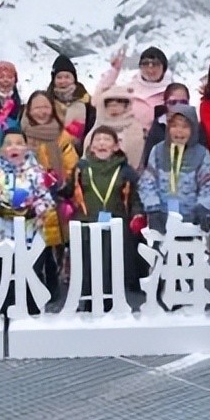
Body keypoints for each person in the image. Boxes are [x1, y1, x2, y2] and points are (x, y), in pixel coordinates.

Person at [0, 129, 56, 311]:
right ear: (1, 149)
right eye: (9, 143)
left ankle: (33, 311)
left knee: (31, 276)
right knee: (6, 275)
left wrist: (33, 210)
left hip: (31, 236)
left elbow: (47, 199)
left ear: (27, 147)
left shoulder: (36, 172)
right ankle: (5, 311)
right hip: (2, 237)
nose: (14, 147)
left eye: (19, 143)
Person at [71, 125, 144, 305]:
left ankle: (113, 301)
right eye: (98, 140)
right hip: (87, 223)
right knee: (88, 264)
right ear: (91, 146)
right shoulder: (81, 168)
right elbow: (69, 191)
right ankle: (88, 301)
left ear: (116, 146)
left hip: (116, 223)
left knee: (113, 264)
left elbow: (135, 197)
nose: (102, 143)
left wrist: (137, 215)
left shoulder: (125, 170)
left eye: (107, 140)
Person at [21, 91, 80, 297]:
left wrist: (62, 181)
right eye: (36, 107)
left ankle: (53, 285)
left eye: (46, 106)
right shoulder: (22, 135)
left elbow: (72, 165)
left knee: (54, 243)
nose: (42, 111)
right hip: (28, 199)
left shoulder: (62, 136)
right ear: (29, 111)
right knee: (34, 244)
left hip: (56, 197)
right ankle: (33, 286)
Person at [138, 105, 210, 233]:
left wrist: (203, 206)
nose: (179, 131)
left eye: (185, 127)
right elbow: (147, 181)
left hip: (192, 222)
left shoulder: (201, 154)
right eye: (174, 126)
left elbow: (208, 185)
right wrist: (153, 208)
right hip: (161, 219)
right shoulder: (158, 151)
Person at [94, 44, 174, 133]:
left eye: (155, 64)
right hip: (122, 138)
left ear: (164, 68)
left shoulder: (171, 94)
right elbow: (97, 100)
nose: (150, 68)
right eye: (145, 63)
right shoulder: (129, 88)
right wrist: (114, 70)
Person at [84, 85, 145, 174]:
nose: (114, 106)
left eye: (119, 102)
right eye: (109, 103)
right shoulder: (98, 125)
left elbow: (135, 158)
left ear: (126, 105)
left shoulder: (134, 127)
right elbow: (87, 155)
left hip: (126, 174)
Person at [46, 54, 96, 143]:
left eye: (67, 77)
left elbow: (93, 127)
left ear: (74, 79)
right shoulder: (45, 101)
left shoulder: (87, 102)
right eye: (59, 77)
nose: (63, 81)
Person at [143, 82, 190, 168]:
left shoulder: (196, 128)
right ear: (165, 104)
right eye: (173, 102)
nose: (178, 106)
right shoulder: (157, 127)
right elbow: (148, 161)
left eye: (183, 102)